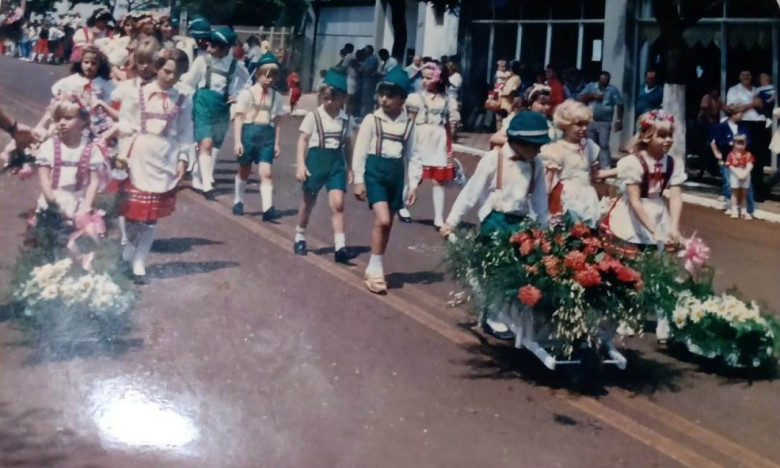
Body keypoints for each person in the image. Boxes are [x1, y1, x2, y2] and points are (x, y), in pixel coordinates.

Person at [439, 111, 550, 340]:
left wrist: (544, 230)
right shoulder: (494, 159)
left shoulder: (537, 165)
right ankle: (492, 315)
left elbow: (540, 200)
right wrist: (451, 221)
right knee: (494, 270)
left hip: (521, 223)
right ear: (519, 142)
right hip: (496, 221)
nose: (538, 151)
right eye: (535, 146)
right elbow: (471, 192)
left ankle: (515, 314)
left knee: (522, 271)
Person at [116, 49, 192, 283]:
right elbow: (126, 123)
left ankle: (140, 261)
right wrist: (122, 155)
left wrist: (183, 159)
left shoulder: (183, 98)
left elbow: (186, 131)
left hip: (165, 157)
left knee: (150, 216)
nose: (170, 77)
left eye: (176, 74)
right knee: (131, 210)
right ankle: (128, 245)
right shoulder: (138, 93)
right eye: (167, 71)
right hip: (139, 153)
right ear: (157, 68)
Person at [352, 67, 422, 294]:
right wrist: (359, 179)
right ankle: (375, 268)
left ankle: (375, 268)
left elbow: (413, 155)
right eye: (381, 94)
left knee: (388, 223)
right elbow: (360, 150)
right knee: (382, 220)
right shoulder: (372, 120)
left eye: (390, 95)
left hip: (395, 174)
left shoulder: (409, 125)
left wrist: (413, 184)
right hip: (375, 171)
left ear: (402, 99)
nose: (384, 99)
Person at [183, 26, 250, 201]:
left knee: (213, 146)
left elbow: (247, 85)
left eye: (214, 46)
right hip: (202, 103)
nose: (209, 49)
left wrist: (237, 95)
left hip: (221, 107)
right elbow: (189, 82)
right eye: (209, 45)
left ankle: (199, 175)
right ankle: (207, 186)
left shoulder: (235, 65)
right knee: (205, 142)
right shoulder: (202, 61)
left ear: (226, 48)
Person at [602, 110, 685, 247]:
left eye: (670, 135)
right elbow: (635, 200)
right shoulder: (634, 163)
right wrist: (653, 230)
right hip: (634, 215)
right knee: (631, 251)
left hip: (658, 212)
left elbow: (676, 197)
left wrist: (674, 228)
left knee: (656, 253)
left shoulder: (673, 163)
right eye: (662, 136)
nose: (668, 140)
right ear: (646, 138)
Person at [294, 69, 353, 263]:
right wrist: (301, 164)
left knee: (338, 203)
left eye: (333, 99)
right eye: (325, 98)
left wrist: (350, 167)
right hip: (316, 161)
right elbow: (303, 140)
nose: (328, 102)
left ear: (343, 98)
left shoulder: (346, 119)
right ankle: (300, 235)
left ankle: (340, 246)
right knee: (308, 201)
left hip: (336, 163)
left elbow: (348, 144)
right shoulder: (314, 116)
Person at [398, 61, 458, 228]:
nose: (424, 81)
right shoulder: (416, 99)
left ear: (438, 79)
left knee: (439, 179)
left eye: (428, 78)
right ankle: (401, 205)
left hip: (438, 139)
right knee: (416, 176)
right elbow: (410, 122)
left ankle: (438, 218)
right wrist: (405, 140)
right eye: (423, 78)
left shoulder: (446, 100)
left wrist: (449, 146)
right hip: (420, 137)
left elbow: (446, 124)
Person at [232, 52, 286, 220]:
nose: (269, 80)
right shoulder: (248, 93)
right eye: (266, 76)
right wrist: (238, 141)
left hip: (266, 136)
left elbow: (277, 121)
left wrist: (277, 143)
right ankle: (238, 200)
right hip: (249, 134)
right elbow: (239, 118)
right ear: (258, 75)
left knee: (266, 173)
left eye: (273, 77)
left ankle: (267, 209)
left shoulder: (276, 97)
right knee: (244, 171)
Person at [35, 96, 103, 220]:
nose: (61, 122)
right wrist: (54, 205)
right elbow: (44, 179)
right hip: (52, 201)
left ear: (83, 121)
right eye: (58, 119)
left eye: (68, 118)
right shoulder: (49, 147)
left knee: (83, 236)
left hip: (78, 202)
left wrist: (85, 208)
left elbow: (94, 182)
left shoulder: (90, 148)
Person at [541, 100, 603, 227]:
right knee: (569, 230)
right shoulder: (557, 149)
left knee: (588, 232)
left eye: (586, 124)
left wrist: (620, 171)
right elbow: (548, 181)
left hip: (587, 195)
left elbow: (593, 175)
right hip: (567, 196)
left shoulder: (589, 146)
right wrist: (543, 204)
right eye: (579, 124)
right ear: (565, 125)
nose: (584, 128)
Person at [41, 45, 115, 139]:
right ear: (81, 62)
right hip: (73, 117)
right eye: (86, 62)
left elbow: (109, 100)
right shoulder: (72, 80)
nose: (89, 66)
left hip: (95, 119)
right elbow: (58, 93)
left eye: (94, 63)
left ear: (99, 65)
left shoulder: (103, 83)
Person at [726, 70, 769, 202]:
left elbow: (761, 105)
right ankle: (739, 193)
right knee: (742, 158)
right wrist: (751, 104)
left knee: (758, 159)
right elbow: (732, 109)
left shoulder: (757, 89)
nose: (746, 77)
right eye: (743, 74)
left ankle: (758, 193)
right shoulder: (734, 90)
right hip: (745, 124)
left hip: (760, 124)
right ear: (739, 76)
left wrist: (747, 105)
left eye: (749, 75)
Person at [710, 105, 754, 216]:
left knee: (744, 185)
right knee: (728, 183)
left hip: (742, 160)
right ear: (733, 114)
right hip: (727, 158)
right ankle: (731, 205)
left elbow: (748, 141)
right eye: (739, 113)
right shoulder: (722, 127)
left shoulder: (743, 127)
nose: (741, 116)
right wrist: (717, 153)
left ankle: (746, 208)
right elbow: (713, 142)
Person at [578, 71, 624, 169]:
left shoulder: (612, 90)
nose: (603, 82)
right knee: (590, 144)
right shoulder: (591, 87)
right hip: (591, 120)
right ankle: (591, 166)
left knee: (603, 144)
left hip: (605, 121)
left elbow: (620, 104)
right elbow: (580, 98)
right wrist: (593, 96)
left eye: (606, 81)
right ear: (599, 79)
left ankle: (605, 167)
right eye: (602, 80)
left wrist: (619, 120)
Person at [725, 134, 754, 220]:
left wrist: (745, 173)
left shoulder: (748, 154)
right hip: (735, 173)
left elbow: (750, 164)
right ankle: (734, 210)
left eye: (743, 143)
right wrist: (737, 174)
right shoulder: (731, 155)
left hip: (745, 173)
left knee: (744, 194)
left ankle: (744, 211)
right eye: (738, 143)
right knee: (734, 193)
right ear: (734, 143)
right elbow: (729, 165)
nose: (740, 146)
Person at [497, 61, 522, 130]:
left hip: (508, 104)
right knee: (500, 122)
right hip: (503, 103)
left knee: (505, 124)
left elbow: (512, 91)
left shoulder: (516, 78)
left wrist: (501, 92)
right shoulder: (511, 78)